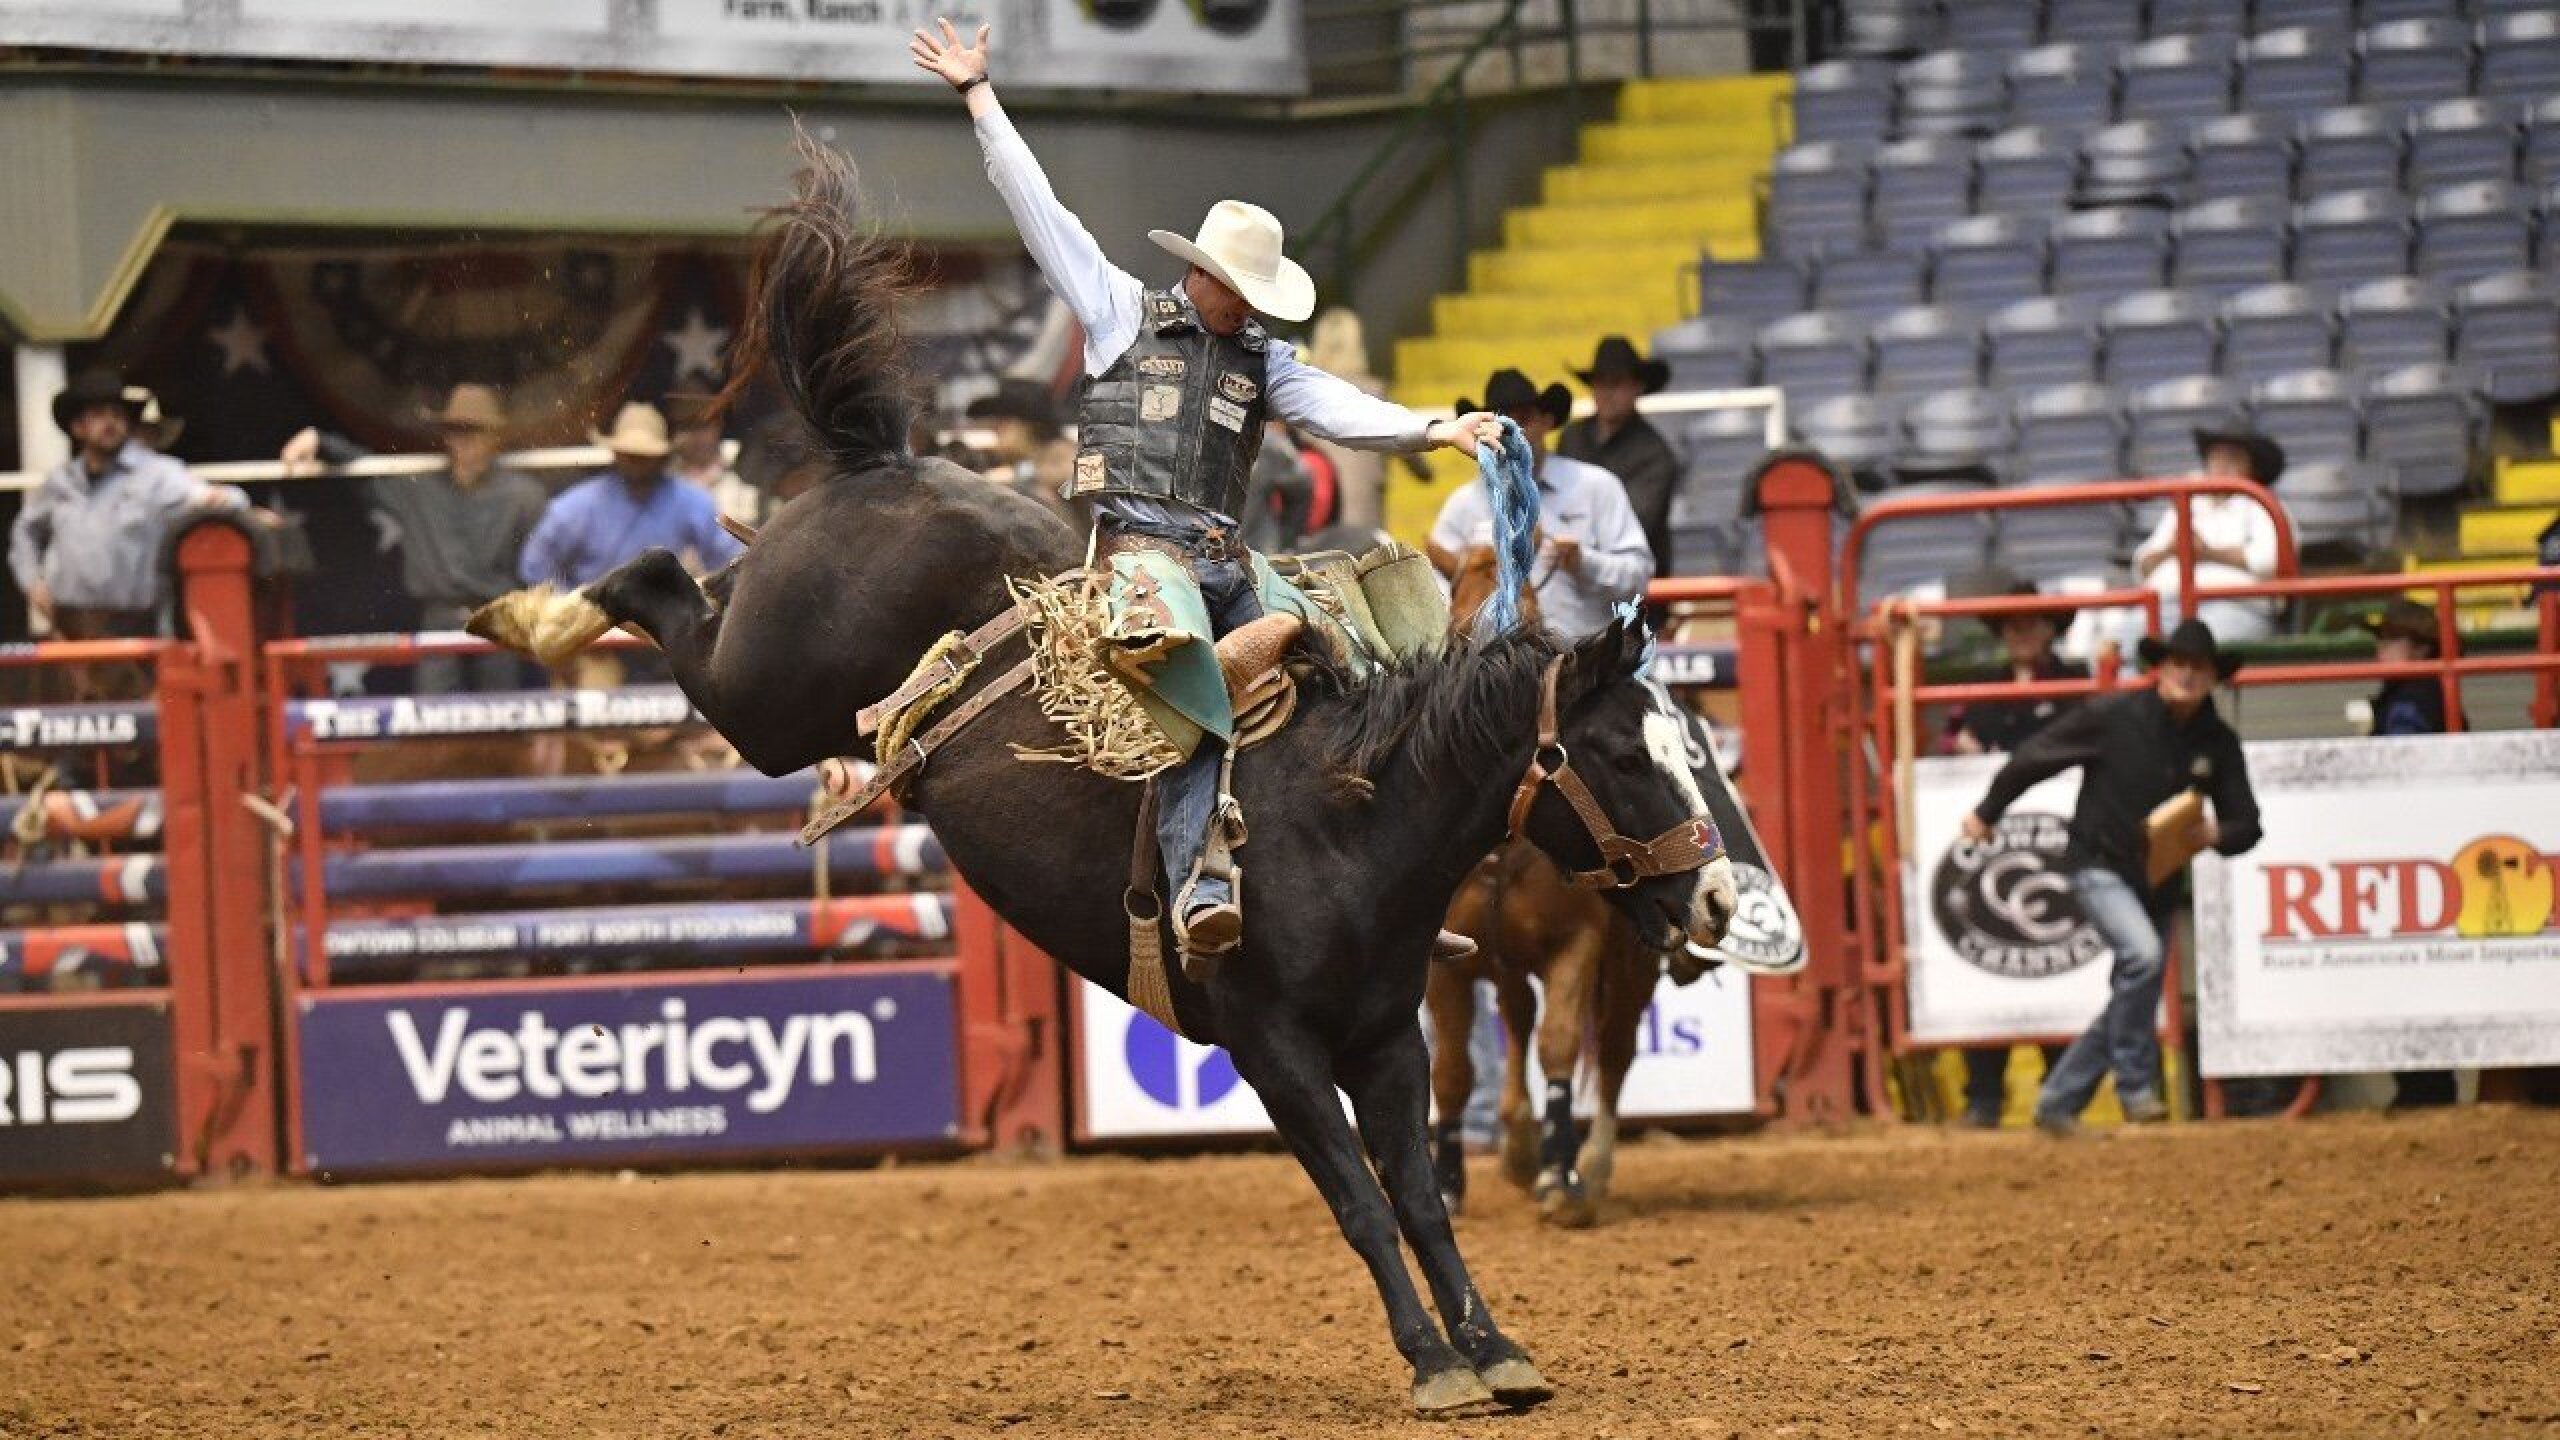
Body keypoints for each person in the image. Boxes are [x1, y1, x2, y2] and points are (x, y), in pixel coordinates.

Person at [915, 16, 1501, 958]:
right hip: (1142, 558)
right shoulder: (1117, 310)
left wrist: (1436, 428)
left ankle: (1391, 894)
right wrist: (979, 95)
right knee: (1194, 690)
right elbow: (1041, 210)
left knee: (1358, 676)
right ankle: (1201, 882)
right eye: (1239, 290)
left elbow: (1338, 406)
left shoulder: (1263, 359)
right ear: (1200, 272)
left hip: (1228, 558)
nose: (1247, 308)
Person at [1961, 619, 2264, 1135]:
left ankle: (2058, 1101)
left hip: (2159, 880)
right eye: (2179, 664)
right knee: (2143, 958)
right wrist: (1989, 810)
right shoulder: (2115, 717)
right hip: (2098, 862)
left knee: (2135, 988)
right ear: (2160, 668)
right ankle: (2136, 1088)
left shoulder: (2217, 742)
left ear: (2214, 677)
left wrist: (2217, 833)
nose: (2188, 676)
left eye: (2199, 668)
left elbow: (2247, 823)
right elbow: (2037, 757)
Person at [282, 383, 550, 694]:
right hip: (439, 618)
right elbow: (366, 472)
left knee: (503, 711)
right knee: (429, 712)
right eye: (456, 431)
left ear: (495, 438)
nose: (464, 441)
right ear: (446, 437)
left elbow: (543, 566)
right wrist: (319, 439)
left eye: (475, 431)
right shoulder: (419, 488)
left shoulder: (524, 496)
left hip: (500, 618)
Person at [1942, 570, 2085, 1129]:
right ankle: (1983, 1096)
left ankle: (2059, 1092)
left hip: (2053, 843)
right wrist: (1961, 751)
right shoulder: (1983, 690)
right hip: (1996, 841)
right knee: (1988, 956)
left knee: (2057, 957)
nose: (2021, 633)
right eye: (2011, 625)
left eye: (2031, 623)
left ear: (2051, 628)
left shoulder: (2074, 684)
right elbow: (1953, 744)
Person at [10, 368, 248, 640]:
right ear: (78, 427)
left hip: (133, 626)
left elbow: (219, 498)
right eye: (99, 415)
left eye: (117, 414)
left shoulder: (157, 474)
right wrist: (32, 584)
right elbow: (25, 531)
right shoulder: (60, 482)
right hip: (67, 627)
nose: (110, 422)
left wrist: (222, 500)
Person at [1427, 369, 1653, 642]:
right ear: (1479, 432)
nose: (1510, 432)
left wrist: (1584, 563)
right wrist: (1463, 576)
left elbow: (1638, 576)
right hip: (1497, 663)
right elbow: (1432, 589)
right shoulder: (1463, 504)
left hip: (1586, 658)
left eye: (1523, 419)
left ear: (1547, 421)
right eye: (1498, 422)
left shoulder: (1596, 487)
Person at [2128, 426, 2286, 646]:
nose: (2221, 465)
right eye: (2215, 457)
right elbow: (2142, 564)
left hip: (2235, 606)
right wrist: (2173, 549)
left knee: (2202, 646)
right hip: (2166, 605)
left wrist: (2206, 553)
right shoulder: (2187, 501)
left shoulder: (2263, 505)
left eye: (2232, 458)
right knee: (2122, 639)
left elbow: (2271, 560)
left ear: (2253, 469)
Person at [1557, 336, 1681, 581]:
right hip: (1573, 576)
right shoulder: (1572, 437)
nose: (1606, 393)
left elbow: (1633, 528)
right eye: (1600, 383)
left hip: (1633, 584)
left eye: (1615, 383)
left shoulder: (1655, 454)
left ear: (1638, 386)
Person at [964, 378, 1081, 529]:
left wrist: (1018, 474)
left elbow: (1086, 473)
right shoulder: (1011, 461)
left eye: (1003, 424)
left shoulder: (1066, 452)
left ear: (1029, 426)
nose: (996, 430)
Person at [665, 392, 765, 529]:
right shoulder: (664, 474)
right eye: (687, 427)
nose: (696, 437)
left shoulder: (741, 463)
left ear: (718, 425)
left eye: (703, 426)